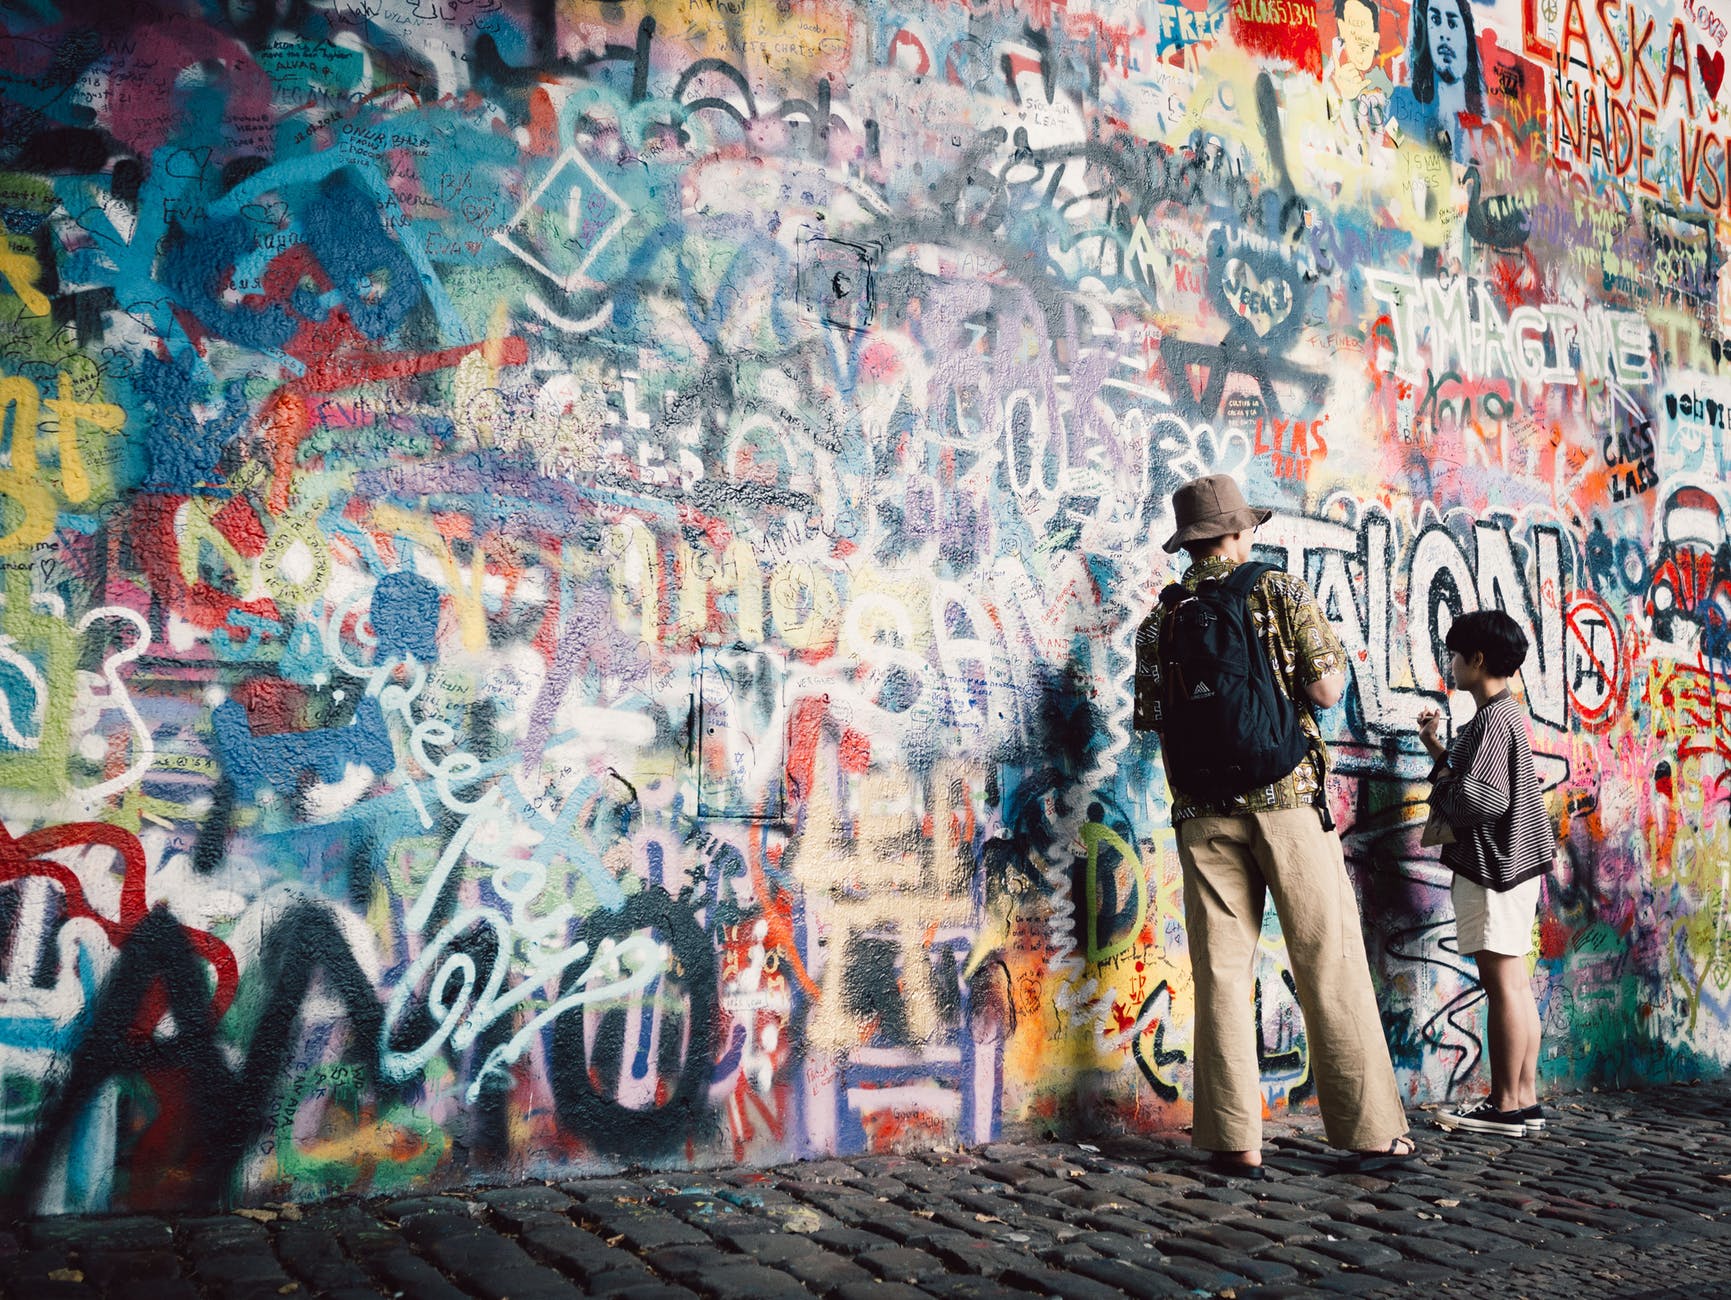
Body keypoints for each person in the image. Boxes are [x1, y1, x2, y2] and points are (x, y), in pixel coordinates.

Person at [1136, 474, 1415, 1176]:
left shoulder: (1160, 619)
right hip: (1284, 796)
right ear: (1236, 531)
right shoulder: (1276, 589)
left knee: (1222, 971)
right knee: (1326, 957)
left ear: (1189, 541)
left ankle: (1233, 1140)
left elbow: (1155, 721)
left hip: (1199, 809)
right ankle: (1369, 1134)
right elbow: (1323, 689)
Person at [1418, 609, 1556, 1137]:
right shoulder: (1505, 714)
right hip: (1516, 863)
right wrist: (1439, 748)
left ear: (1477, 660)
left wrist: (1445, 785)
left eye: (1455, 654)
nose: (1451, 663)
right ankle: (1523, 1101)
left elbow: (1485, 797)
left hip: (1494, 866)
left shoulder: (1495, 717)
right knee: (1516, 984)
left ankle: (1504, 1105)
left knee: (1502, 986)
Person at [1390, 0, 1484, 161]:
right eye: (1435, 20)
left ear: (1466, 35)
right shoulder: (1400, 104)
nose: (1444, 33)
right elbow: (1395, 153)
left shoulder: (1479, 124)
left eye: (1453, 23)